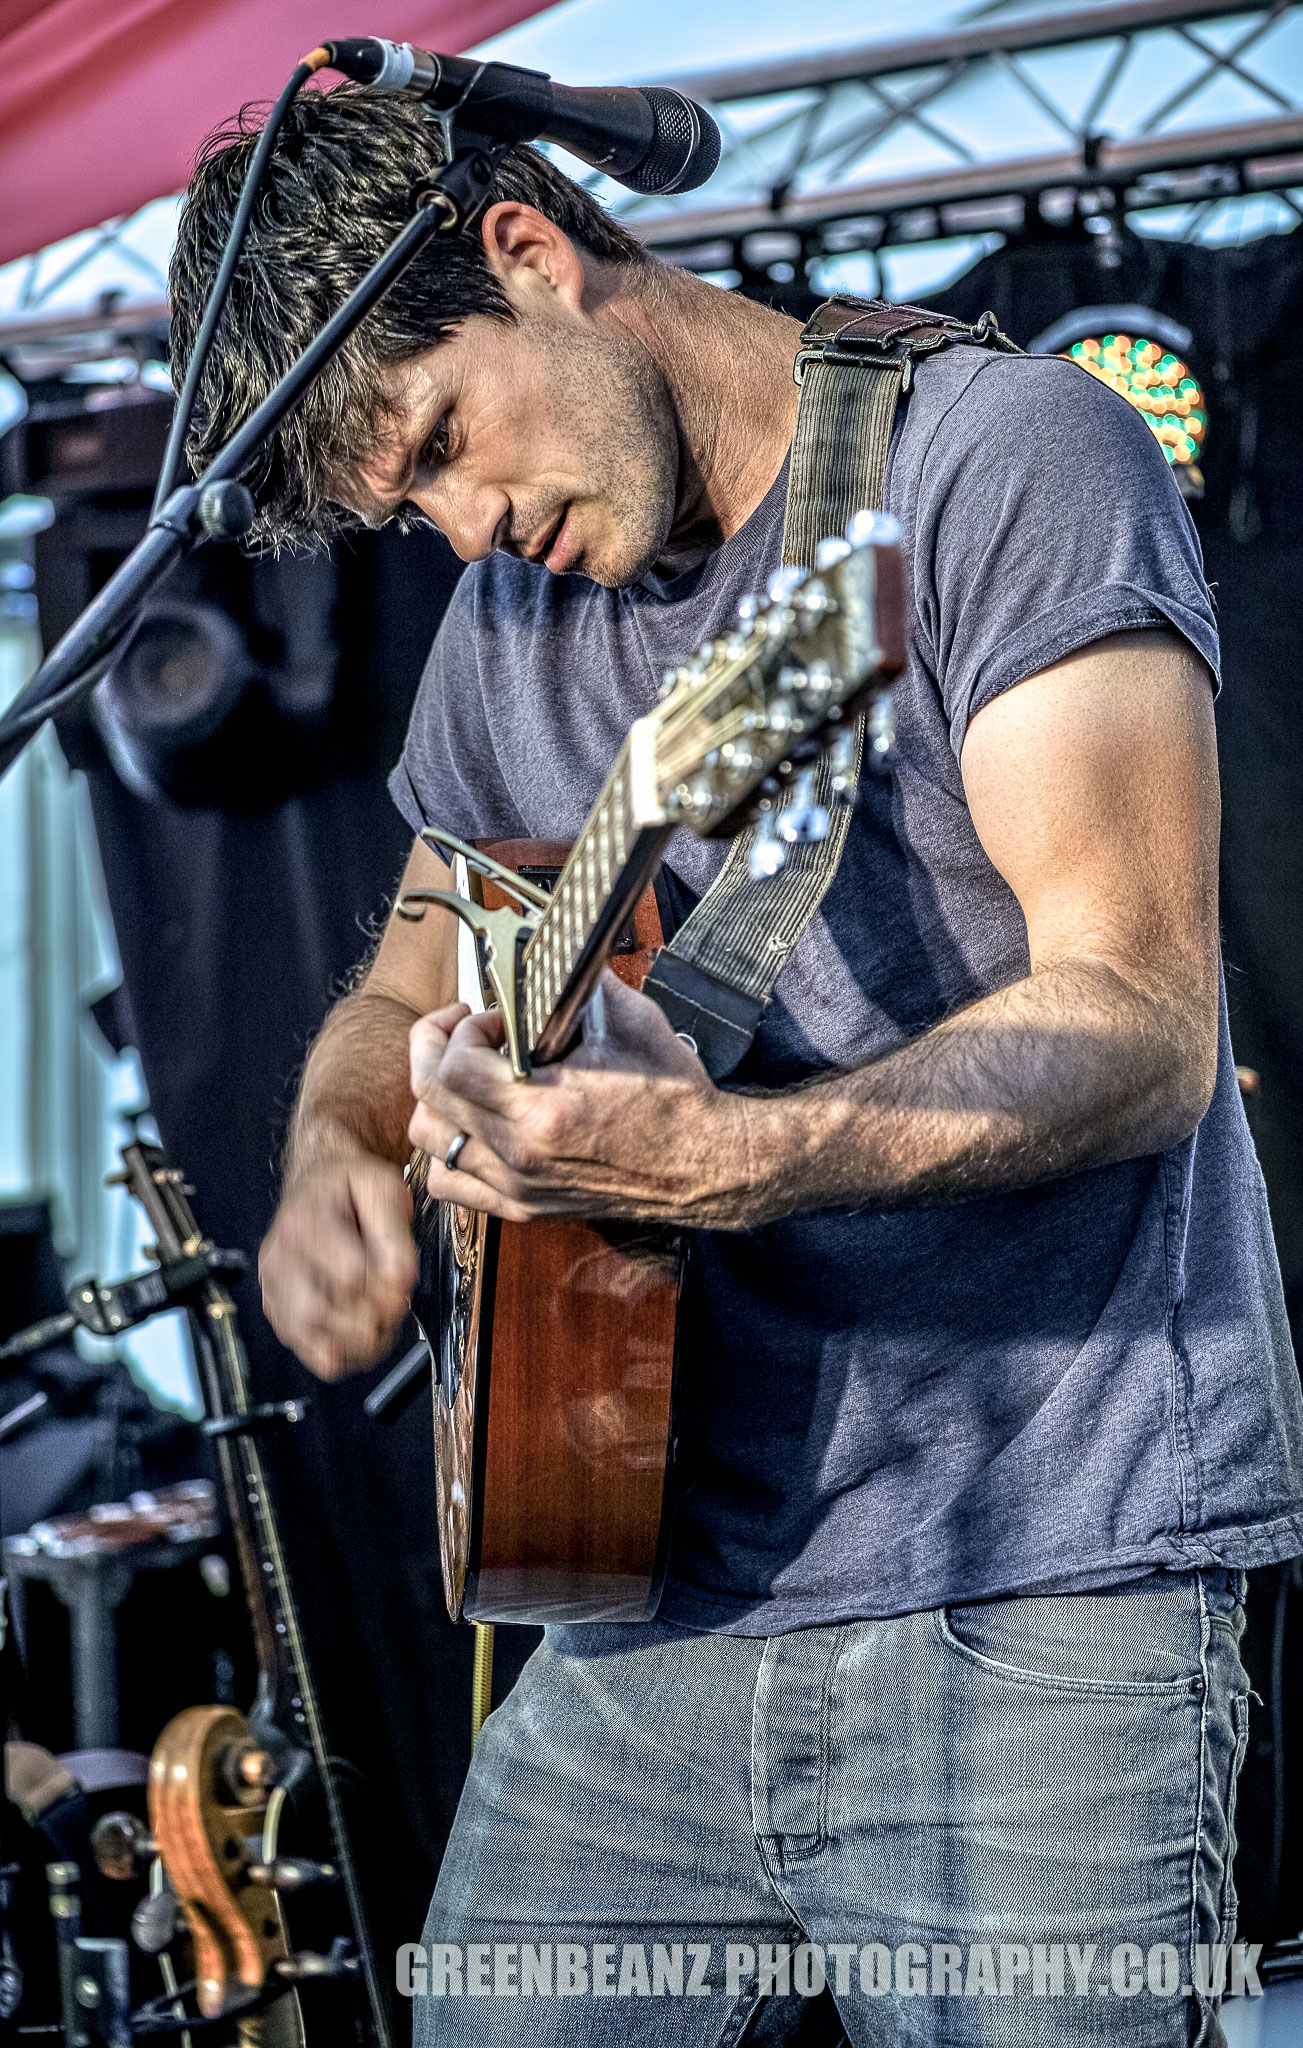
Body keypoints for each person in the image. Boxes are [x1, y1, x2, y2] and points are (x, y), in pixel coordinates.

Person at [170, 83, 1303, 2047]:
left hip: (1045, 1570)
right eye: (402, 511)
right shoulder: (498, 631)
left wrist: (739, 1159)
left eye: (443, 442)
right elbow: (401, 986)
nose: (460, 529)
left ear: (532, 254)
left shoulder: (1003, 461)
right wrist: (334, 1158)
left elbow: (1139, 1016)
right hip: (647, 1594)